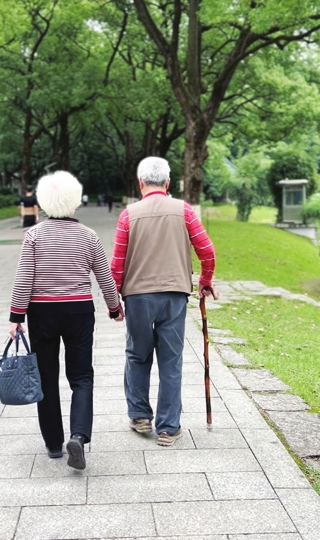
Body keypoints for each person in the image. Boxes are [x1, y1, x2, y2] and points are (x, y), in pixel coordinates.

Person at [9, 171, 123, 470]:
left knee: (46, 377)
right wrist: (114, 307)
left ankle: (53, 443)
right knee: (82, 376)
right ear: (75, 200)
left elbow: (24, 279)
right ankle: (78, 435)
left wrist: (15, 316)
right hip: (79, 312)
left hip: (42, 313)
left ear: (43, 201)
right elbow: (104, 277)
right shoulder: (89, 236)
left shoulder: (34, 235)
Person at [110, 156, 216, 446]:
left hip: (138, 296)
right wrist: (205, 280)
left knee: (137, 355)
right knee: (171, 361)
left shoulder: (128, 215)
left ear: (140, 182)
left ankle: (140, 415)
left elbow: (117, 264)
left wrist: (114, 301)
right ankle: (168, 427)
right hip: (174, 294)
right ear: (168, 183)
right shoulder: (184, 211)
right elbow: (207, 251)